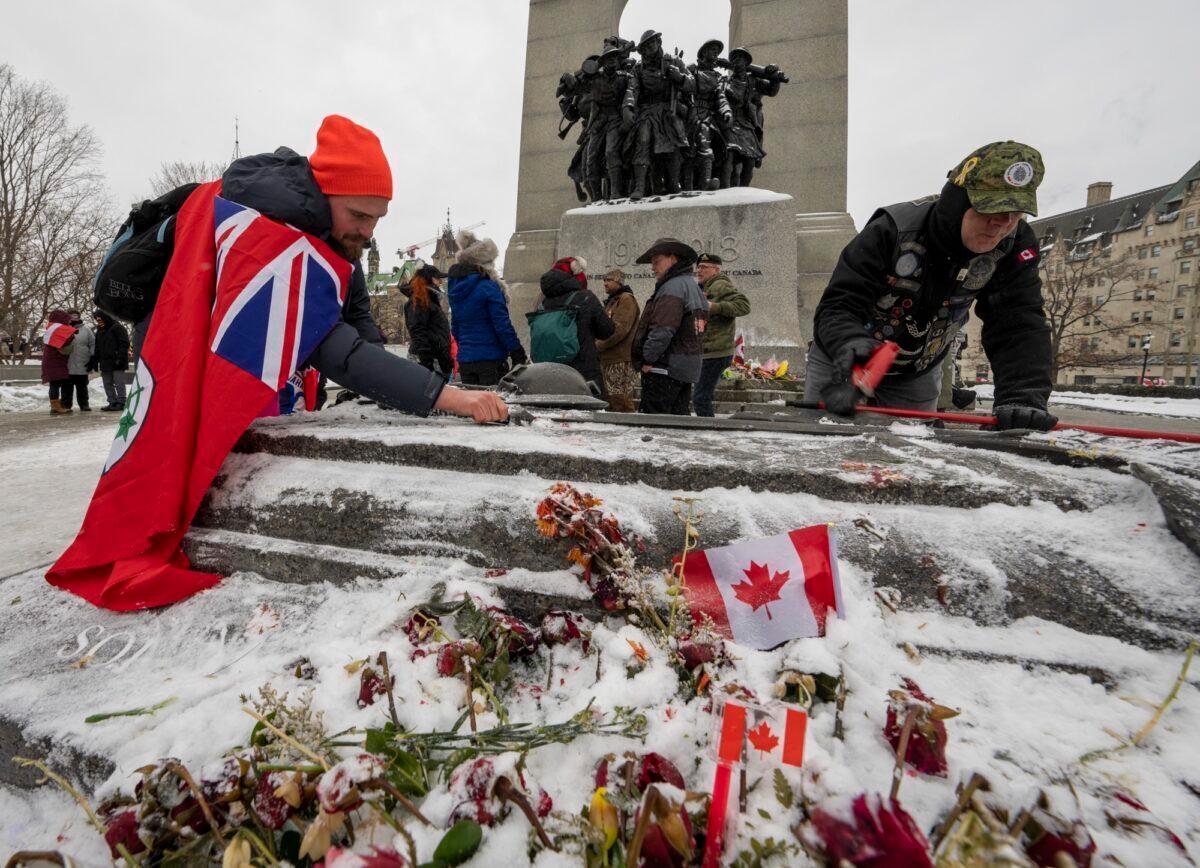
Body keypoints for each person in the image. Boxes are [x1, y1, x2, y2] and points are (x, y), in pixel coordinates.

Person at [213, 115, 505, 423]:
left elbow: (359, 319)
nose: (368, 233)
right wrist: (446, 396)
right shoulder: (277, 238)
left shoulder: (340, 241)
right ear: (324, 195)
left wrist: (387, 389)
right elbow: (332, 344)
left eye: (377, 218)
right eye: (359, 215)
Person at [807, 141, 1056, 431]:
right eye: (990, 211)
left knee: (910, 456)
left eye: (1014, 215)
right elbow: (839, 303)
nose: (1001, 226)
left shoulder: (1014, 246)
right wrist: (848, 342)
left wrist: (1022, 396)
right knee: (823, 439)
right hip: (844, 360)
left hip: (916, 374)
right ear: (959, 201)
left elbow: (1018, 321)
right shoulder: (891, 230)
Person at [631, 238, 705, 414]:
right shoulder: (691, 286)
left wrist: (648, 359)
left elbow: (663, 329)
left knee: (654, 425)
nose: (653, 267)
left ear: (673, 259)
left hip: (664, 368)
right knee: (676, 424)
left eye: (657, 262)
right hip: (684, 368)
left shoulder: (672, 288)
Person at [448, 229, 527, 386]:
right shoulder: (489, 287)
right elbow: (501, 324)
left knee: (473, 408)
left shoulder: (455, 288)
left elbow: (455, 327)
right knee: (492, 407)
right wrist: (517, 351)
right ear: (484, 263)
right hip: (490, 360)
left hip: (466, 362)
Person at [534, 256, 614, 392]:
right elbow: (607, 331)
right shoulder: (585, 297)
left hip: (550, 373)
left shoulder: (543, 302)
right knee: (590, 411)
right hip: (583, 373)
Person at [693, 253, 750, 416]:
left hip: (716, 352)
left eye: (704, 267)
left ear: (716, 270)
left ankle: (709, 431)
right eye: (698, 267)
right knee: (701, 397)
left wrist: (714, 307)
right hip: (707, 351)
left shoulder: (721, 285)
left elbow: (744, 305)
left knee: (700, 398)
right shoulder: (704, 287)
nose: (699, 270)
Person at [595, 268, 641, 412]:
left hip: (620, 359)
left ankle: (628, 431)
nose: (605, 283)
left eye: (609, 280)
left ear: (619, 282)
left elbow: (620, 330)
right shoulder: (612, 301)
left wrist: (599, 345)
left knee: (620, 400)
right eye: (604, 280)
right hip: (610, 358)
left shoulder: (626, 299)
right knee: (611, 401)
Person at [402, 263, 454, 378]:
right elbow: (418, 332)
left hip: (435, 361)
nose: (440, 282)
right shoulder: (419, 301)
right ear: (429, 280)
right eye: (437, 279)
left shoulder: (429, 301)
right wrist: (427, 363)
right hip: (427, 364)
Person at [91, 310, 130, 411]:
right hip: (105, 362)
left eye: (100, 319)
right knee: (107, 382)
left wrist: (120, 358)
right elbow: (97, 347)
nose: (99, 321)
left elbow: (124, 344)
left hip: (117, 361)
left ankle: (121, 402)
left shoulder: (117, 328)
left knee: (118, 382)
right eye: (97, 320)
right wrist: (95, 359)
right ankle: (112, 402)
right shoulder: (99, 330)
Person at [41, 309, 75, 415]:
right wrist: (71, 337)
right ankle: (55, 407)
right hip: (54, 361)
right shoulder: (57, 330)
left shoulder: (51, 330)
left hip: (55, 361)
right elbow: (63, 344)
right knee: (55, 384)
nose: (69, 321)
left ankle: (57, 405)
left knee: (57, 383)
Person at [65, 310, 94, 412]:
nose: (74, 318)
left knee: (82, 386)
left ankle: (84, 404)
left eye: (76, 316)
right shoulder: (64, 329)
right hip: (67, 363)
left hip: (83, 362)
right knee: (67, 386)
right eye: (71, 316)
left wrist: (92, 357)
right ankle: (66, 405)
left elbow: (92, 344)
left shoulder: (86, 330)